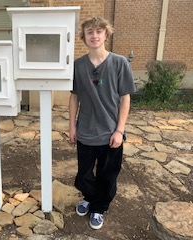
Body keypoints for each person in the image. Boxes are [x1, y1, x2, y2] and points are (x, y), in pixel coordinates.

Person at [69, 16, 135, 230]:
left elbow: (125, 97)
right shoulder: (78, 65)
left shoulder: (119, 63)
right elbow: (74, 96)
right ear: (84, 37)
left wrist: (119, 130)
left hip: (110, 133)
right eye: (90, 32)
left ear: (106, 35)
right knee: (84, 173)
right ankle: (89, 197)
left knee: (108, 174)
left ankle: (99, 207)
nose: (94, 35)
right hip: (86, 131)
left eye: (99, 31)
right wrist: (72, 126)